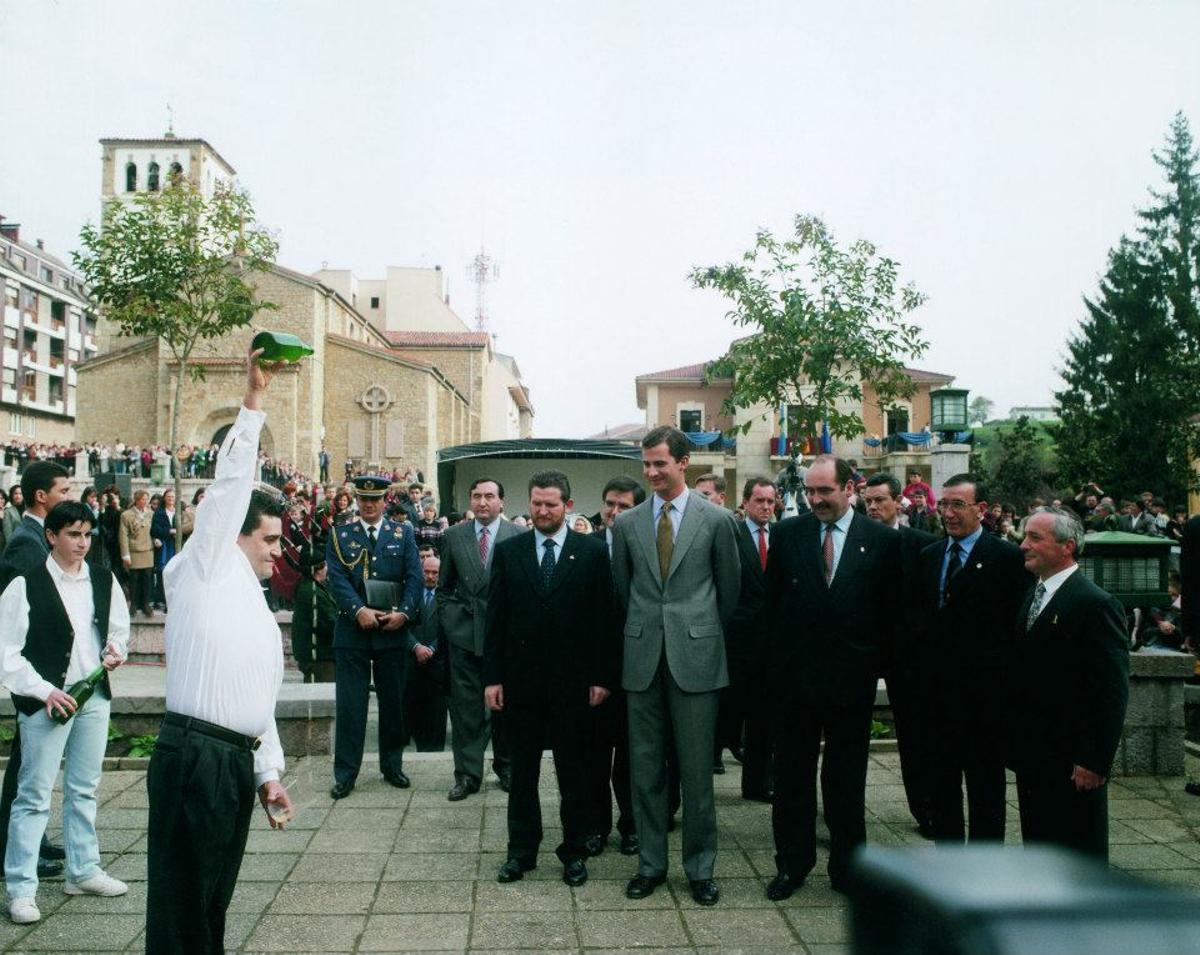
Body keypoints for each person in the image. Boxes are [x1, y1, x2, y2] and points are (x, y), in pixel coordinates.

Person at [145, 348, 293, 954]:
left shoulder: (252, 597)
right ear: (234, 531)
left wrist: (269, 773)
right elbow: (229, 489)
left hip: (233, 761)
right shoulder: (202, 566)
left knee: (212, 901)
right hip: (194, 756)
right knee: (183, 906)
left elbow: (256, 693)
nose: (277, 553)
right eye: (270, 540)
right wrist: (253, 405)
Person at [610, 426, 741, 906]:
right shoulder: (626, 525)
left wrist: (695, 631)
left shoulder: (717, 520)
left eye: (659, 463)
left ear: (684, 462)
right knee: (644, 770)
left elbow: (729, 593)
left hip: (697, 660)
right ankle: (651, 865)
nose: (651, 472)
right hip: (642, 660)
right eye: (646, 464)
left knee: (696, 772)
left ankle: (700, 869)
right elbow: (621, 593)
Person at [764, 456, 901, 899]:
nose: (817, 499)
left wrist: (872, 664)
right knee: (791, 779)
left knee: (845, 780)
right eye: (811, 491)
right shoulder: (787, 534)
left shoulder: (879, 540)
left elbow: (890, 612)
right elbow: (773, 605)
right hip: (794, 683)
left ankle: (847, 867)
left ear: (849, 488)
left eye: (825, 491)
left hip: (850, 682)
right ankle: (792, 864)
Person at [484, 471, 617, 887]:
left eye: (551, 505)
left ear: (568, 506)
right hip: (520, 684)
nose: (542, 511)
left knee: (573, 773)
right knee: (521, 773)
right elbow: (496, 620)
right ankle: (520, 852)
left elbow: (604, 621)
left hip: (574, 686)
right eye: (536, 504)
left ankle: (574, 852)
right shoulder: (510, 552)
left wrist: (601, 677)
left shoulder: (592, 552)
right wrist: (493, 678)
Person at [0, 501, 130, 924]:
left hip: (93, 698)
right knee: (33, 796)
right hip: (47, 703)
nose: (82, 542)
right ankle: (21, 887)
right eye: (73, 534)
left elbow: (117, 630)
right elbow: (7, 655)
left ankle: (84, 870)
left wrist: (115, 651)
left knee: (84, 788)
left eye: (87, 534)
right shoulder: (26, 584)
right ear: (52, 537)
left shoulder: (102, 578)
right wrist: (44, 691)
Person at [1006, 507, 1129, 860]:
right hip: (1035, 755)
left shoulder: (1095, 603)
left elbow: (1110, 691)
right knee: (1042, 847)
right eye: (1024, 536)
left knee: (1078, 853)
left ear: (1068, 546)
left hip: (1073, 762)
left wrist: (1093, 760)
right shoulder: (1035, 593)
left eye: (1035, 538)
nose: (1023, 545)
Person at [920, 473, 1029, 844]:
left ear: (981, 510)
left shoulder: (1007, 559)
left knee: (986, 793)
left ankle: (986, 876)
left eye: (957, 505)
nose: (947, 513)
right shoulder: (929, 557)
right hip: (937, 702)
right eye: (943, 504)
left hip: (986, 704)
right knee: (942, 790)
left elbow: (1017, 632)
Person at [324, 474, 422, 799]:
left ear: (385, 501)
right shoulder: (341, 534)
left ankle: (392, 766)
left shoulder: (403, 533)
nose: (369, 505)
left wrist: (404, 613)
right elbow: (336, 579)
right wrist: (358, 610)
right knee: (351, 706)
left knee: (392, 703)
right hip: (352, 632)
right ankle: (346, 774)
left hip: (391, 632)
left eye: (375, 500)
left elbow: (414, 578)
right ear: (356, 501)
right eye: (364, 500)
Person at [0, 460, 74, 877]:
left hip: (44, 667)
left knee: (31, 761)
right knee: (27, 763)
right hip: (34, 669)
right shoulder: (26, 543)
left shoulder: (36, 536)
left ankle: (32, 839)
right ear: (41, 496)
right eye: (63, 490)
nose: (70, 496)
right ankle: (13, 847)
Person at [438, 477, 525, 801]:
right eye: (476, 496)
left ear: (502, 502)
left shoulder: (519, 535)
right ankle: (467, 775)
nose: (483, 502)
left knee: (506, 708)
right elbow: (443, 589)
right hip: (465, 636)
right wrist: (451, 623)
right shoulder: (453, 536)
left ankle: (506, 767)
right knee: (466, 711)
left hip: (506, 639)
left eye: (489, 496)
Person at [862, 473, 938, 836]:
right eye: (868, 501)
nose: (873, 507)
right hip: (859, 652)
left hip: (909, 657)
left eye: (880, 500)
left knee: (915, 736)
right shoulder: (851, 542)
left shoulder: (923, 545)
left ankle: (925, 809)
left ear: (898, 502)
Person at [584, 476, 644, 857]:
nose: (614, 512)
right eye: (610, 504)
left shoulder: (647, 549)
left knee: (633, 757)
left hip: (635, 670)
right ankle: (595, 826)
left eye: (623, 506)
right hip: (590, 673)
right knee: (591, 756)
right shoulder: (584, 549)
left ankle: (632, 826)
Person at [724, 477, 777, 803]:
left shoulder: (783, 536)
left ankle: (758, 783)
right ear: (745, 503)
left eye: (771, 502)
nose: (766, 507)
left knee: (764, 721)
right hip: (735, 645)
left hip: (770, 648)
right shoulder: (731, 534)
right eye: (760, 501)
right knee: (725, 717)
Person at [401, 555, 449, 751]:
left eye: (434, 573)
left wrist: (431, 648)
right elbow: (402, 624)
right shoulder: (409, 594)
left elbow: (449, 627)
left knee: (436, 710)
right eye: (426, 572)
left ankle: (434, 748)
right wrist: (416, 647)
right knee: (412, 707)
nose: (430, 576)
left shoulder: (448, 595)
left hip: (437, 663)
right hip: (411, 661)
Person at [291, 554, 337, 683]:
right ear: (318, 569)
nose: (327, 569)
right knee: (325, 700)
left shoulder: (313, 587)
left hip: (319, 655)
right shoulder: (313, 593)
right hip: (321, 659)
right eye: (326, 565)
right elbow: (331, 623)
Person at [119, 491, 155, 616]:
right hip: (134, 550)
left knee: (146, 578)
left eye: (146, 499)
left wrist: (156, 540)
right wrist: (125, 554)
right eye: (142, 499)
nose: (145, 502)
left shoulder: (151, 514)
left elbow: (154, 530)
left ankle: (145, 604)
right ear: (136, 500)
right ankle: (133, 604)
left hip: (148, 550)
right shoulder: (126, 515)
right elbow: (123, 536)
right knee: (134, 579)